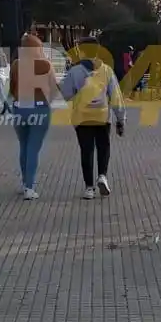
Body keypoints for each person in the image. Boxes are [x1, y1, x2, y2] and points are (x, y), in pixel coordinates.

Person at [60, 36, 127, 200]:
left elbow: (66, 94)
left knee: (86, 150)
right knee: (103, 147)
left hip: (82, 118)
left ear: (81, 51)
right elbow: (116, 97)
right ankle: (102, 175)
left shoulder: (74, 71)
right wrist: (121, 119)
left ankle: (89, 188)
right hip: (102, 116)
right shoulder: (106, 70)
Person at [9, 33, 60, 200]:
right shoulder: (45, 65)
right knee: (33, 148)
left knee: (23, 146)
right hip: (39, 109)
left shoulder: (16, 64)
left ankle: (25, 183)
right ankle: (29, 187)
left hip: (19, 108)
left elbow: (11, 87)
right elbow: (53, 89)